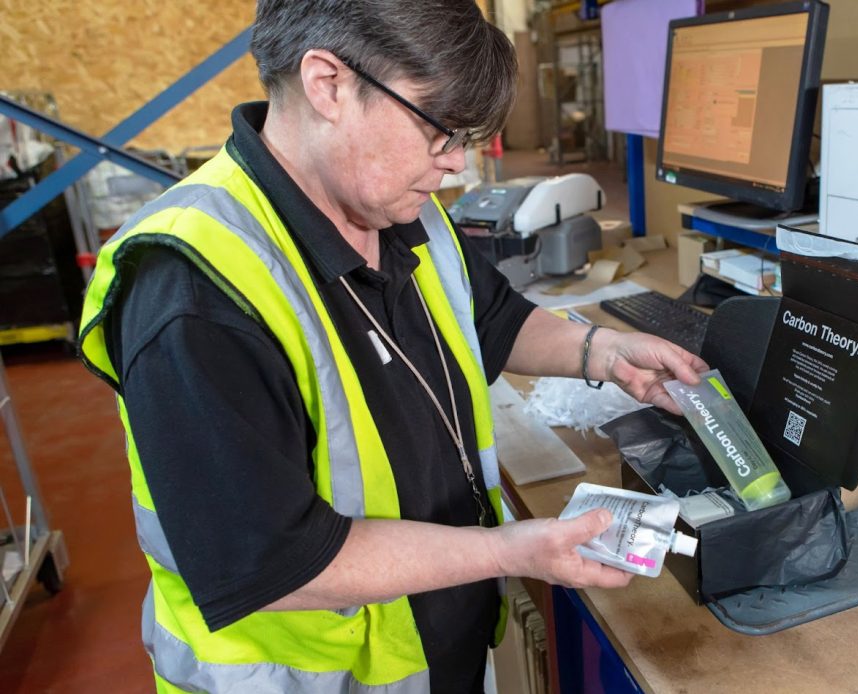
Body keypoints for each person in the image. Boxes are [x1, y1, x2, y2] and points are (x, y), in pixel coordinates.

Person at [77, 1, 708, 692]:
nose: (457, 165)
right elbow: (279, 563)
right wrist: (512, 550)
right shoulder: (195, 294)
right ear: (328, 85)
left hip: (434, 651)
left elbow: (491, 317)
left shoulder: (400, 206)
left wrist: (604, 353)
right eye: (441, 132)